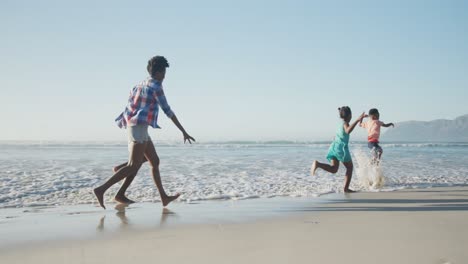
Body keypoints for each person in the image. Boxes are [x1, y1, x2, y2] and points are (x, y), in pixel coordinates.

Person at [93, 55, 195, 209]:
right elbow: (168, 110)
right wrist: (183, 131)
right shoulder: (156, 87)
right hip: (139, 127)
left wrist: (125, 122)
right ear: (160, 72)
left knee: (153, 161)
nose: (165, 76)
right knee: (134, 165)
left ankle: (163, 197)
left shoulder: (139, 84)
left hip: (134, 126)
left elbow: (129, 107)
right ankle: (101, 189)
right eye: (164, 73)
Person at [310, 107, 366, 193]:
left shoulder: (339, 124)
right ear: (350, 115)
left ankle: (318, 164)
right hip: (341, 149)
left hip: (334, 147)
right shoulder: (345, 124)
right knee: (350, 167)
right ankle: (346, 189)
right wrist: (358, 119)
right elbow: (348, 131)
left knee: (334, 169)